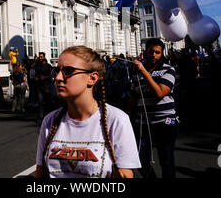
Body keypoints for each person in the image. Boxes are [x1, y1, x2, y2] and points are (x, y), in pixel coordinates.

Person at [36, 46, 141, 178]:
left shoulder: (117, 119)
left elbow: (125, 174)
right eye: (56, 70)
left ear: (92, 78)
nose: (58, 77)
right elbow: (40, 175)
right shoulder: (49, 121)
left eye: (68, 71)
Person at [130, 38, 178, 178]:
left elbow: (159, 93)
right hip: (143, 123)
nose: (154, 55)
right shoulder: (136, 73)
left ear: (161, 54)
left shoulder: (168, 70)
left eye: (157, 52)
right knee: (139, 159)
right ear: (145, 52)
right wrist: (126, 116)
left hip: (166, 122)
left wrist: (144, 72)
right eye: (151, 51)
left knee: (166, 160)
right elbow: (133, 97)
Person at [35, 52, 53, 123]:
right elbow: (36, 73)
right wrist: (36, 77)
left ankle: (49, 116)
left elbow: (52, 75)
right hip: (39, 86)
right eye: (39, 57)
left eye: (41, 57)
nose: (40, 58)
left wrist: (45, 77)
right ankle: (41, 117)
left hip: (47, 85)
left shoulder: (48, 66)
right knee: (40, 102)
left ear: (44, 57)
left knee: (48, 102)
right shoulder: (37, 65)